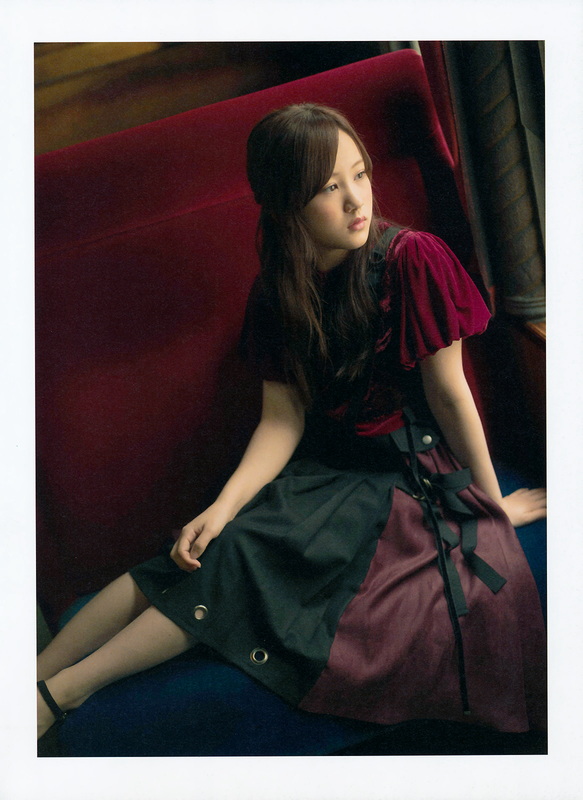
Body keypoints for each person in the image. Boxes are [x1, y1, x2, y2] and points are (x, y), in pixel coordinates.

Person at [37, 104, 547, 742]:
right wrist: (221, 507)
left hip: (404, 479)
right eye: (330, 187)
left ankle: (62, 693)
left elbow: (450, 396)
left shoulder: (412, 259)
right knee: (202, 550)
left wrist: (489, 506)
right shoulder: (278, 289)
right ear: (287, 207)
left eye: (359, 174)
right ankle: (34, 675)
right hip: (328, 471)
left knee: (237, 563)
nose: (356, 199)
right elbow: (281, 422)